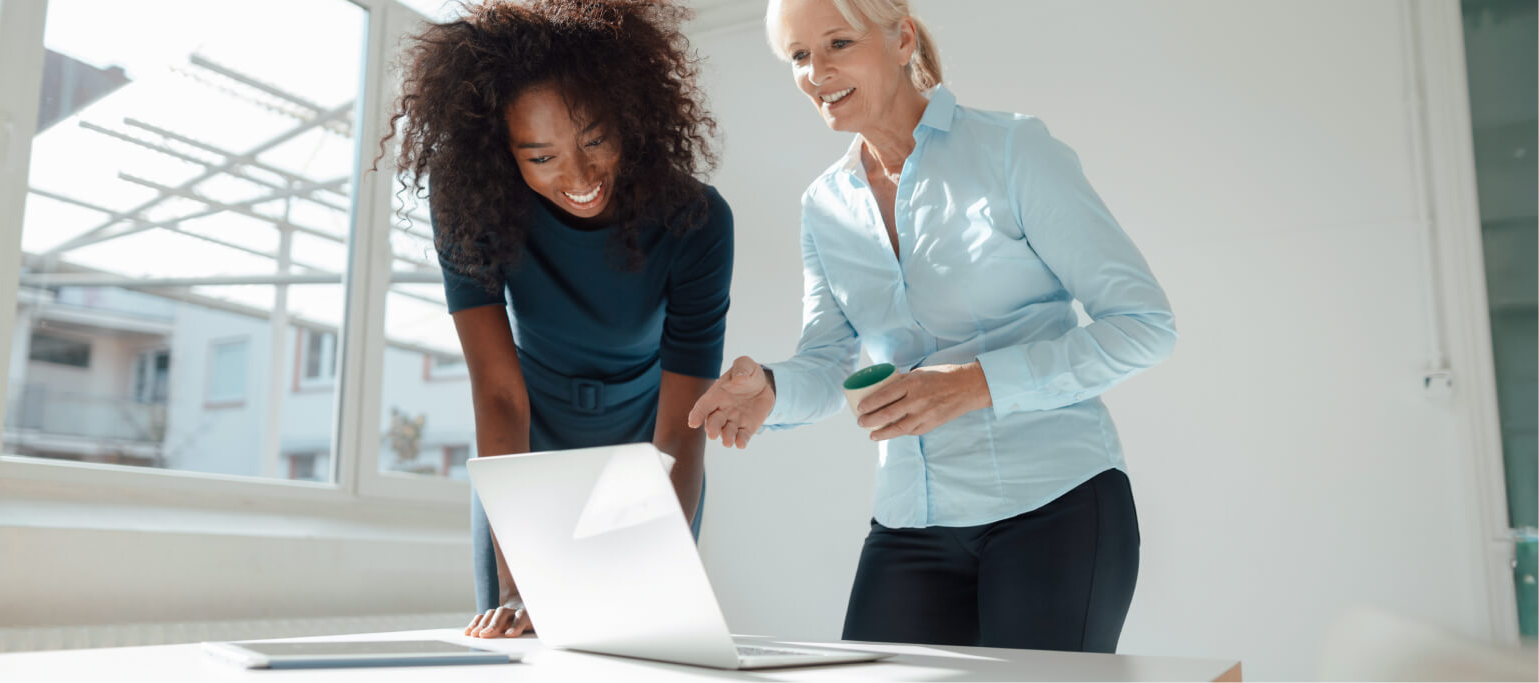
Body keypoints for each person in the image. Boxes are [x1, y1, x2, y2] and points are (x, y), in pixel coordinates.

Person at [687, 0, 1176, 653]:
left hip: (1056, 506)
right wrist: (773, 389)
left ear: (902, 39)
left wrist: (977, 383)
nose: (816, 72)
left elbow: (1143, 323)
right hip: (911, 523)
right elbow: (834, 361)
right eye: (800, 56)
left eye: (837, 43)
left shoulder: (1011, 151)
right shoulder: (824, 207)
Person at [381, 0, 731, 640]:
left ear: (628, 114)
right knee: (518, 648)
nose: (579, 176)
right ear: (504, 153)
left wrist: (651, 567)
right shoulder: (472, 203)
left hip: (647, 452)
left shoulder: (698, 221)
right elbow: (497, 390)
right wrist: (520, 584)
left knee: (639, 648)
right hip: (526, 453)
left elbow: (684, 426)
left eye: (595, 139)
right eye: (541, 157)